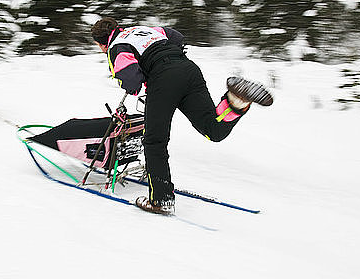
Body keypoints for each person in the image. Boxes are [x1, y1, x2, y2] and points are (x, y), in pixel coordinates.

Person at [91, 17, 273, 215]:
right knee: (213, 128)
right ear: (118, 27)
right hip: (189, 70)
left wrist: (139, 78)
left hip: (163, 79)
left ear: (101, 43)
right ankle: (236, 101)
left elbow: (131, 81)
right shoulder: (143, 30)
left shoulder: (116, 47)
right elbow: (176, 37)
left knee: (154, 142)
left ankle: (161, 200)